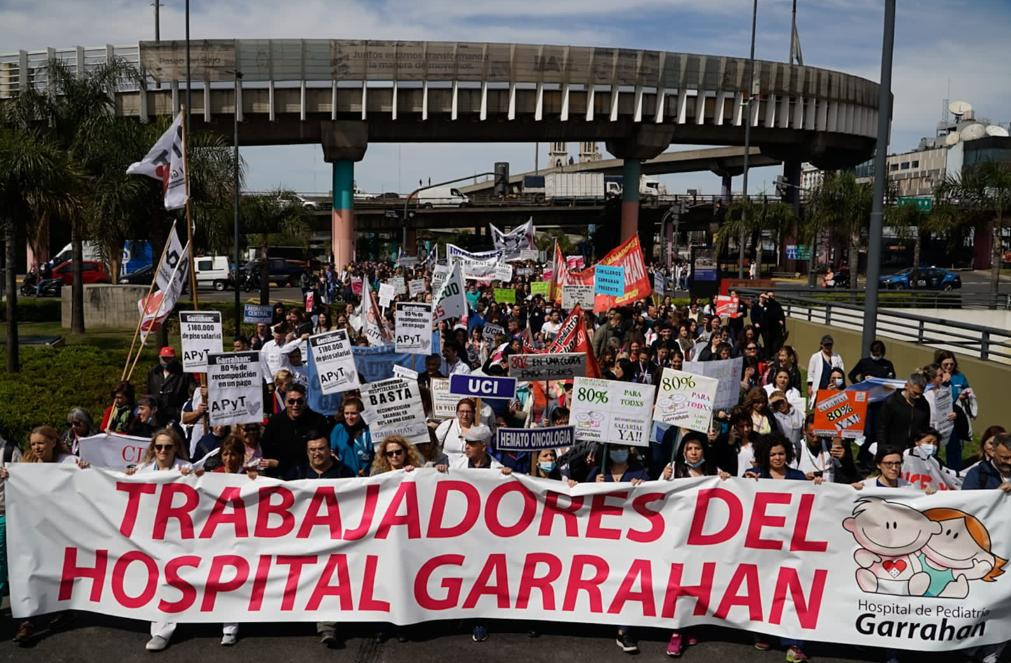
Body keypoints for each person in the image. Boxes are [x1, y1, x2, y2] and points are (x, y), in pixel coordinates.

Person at [6, 426, 85, 645]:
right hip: (32, 528)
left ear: (52, 442)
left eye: (40, 443)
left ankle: (64, 611)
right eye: (33, 444)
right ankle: (27, 621)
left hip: (61, 528)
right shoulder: (26, 466)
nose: (36, 447)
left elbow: (87, 481)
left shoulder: (68, 462)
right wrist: (7, 476)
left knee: (58, 569)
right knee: (29, 569)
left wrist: (85, 468)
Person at [284, 432, 353, 647]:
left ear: (329, 449)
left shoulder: (344, 473)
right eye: (312, 450)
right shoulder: (296, 472)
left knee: (329, 580)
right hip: (304, 539)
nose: (317, 453)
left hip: (336, 539)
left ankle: (327, 627)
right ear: (307, 452)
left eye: (321, 448)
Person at [749, 434, 813, 661]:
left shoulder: (798, 477)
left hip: (792, 545)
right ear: (765, 456)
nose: (777, 457)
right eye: (773, 454)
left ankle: (794, 642)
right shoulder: (756, 477)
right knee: (764, 590)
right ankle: (764, 633)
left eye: (781, 453)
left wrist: (819, 488)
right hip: (764, 546)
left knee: (791, 592)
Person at [260, 383, 330, 478]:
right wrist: (280, 464)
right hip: (282, 474)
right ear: (285, 402)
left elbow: (325, 448)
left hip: (311, 473)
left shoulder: (318, 420)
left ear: (305, 401)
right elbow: (267, 449)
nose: (295, 405)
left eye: (300, 401)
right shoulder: (275, 422)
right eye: (291, 401)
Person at [937, 351, 974, 471]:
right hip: (938, 415)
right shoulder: (936, 375)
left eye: (951, 364)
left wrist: (965, 395)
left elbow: (967, 389)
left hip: (954, 415)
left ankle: (954, 471)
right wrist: (942, 381)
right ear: (940, 363)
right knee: (934, 445)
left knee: (954, 446)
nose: (949, 367)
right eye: (945, 364)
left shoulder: (960, 377)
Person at [877, 372, 930, 450]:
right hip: (893, 448)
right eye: (915, 393)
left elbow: (925, 428)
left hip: (915, 449)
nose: (918, 397)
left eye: (921, 394)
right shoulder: (892, 402)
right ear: (906, 386)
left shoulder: (924, 405)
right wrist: (883, 448)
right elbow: (882, 428)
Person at [146, 346, 192, 422]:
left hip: (175, 416)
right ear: (159, 358)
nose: (166, 361)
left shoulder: (184, 374)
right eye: (164, 358)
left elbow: (190, 393)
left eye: (169, 358)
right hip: (156, 415)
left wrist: (179, 412)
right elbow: (149, 392)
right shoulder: (154, 372)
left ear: (174, 358)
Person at [329, 397, 374, 477]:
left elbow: (377, 455)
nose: (349, 417)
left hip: (366, 478)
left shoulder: (369, 430)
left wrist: (369, 470)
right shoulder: (338, 429)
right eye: (346, 413)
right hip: (345, 478)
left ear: (361, 413)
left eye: (353, 413)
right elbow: (331, 453)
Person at [434, 398, 479, 465]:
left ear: (473, 413)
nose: (465, 415)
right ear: (457, 413)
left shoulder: (479, 430)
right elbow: (434, 447)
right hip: (446, 469)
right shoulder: (447, 425)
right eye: (462, 411)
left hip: (467, 471)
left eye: (468, 412)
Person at [806, 334, 845, 399]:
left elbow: (841, 373)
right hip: (819, 387)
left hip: (833, 388)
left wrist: (838, 387)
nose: (828, 347)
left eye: (830, 345)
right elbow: (810, 374)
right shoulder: (815, 357)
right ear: (821, 345)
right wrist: (810, 387)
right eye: (826, 345)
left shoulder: (837, 357)